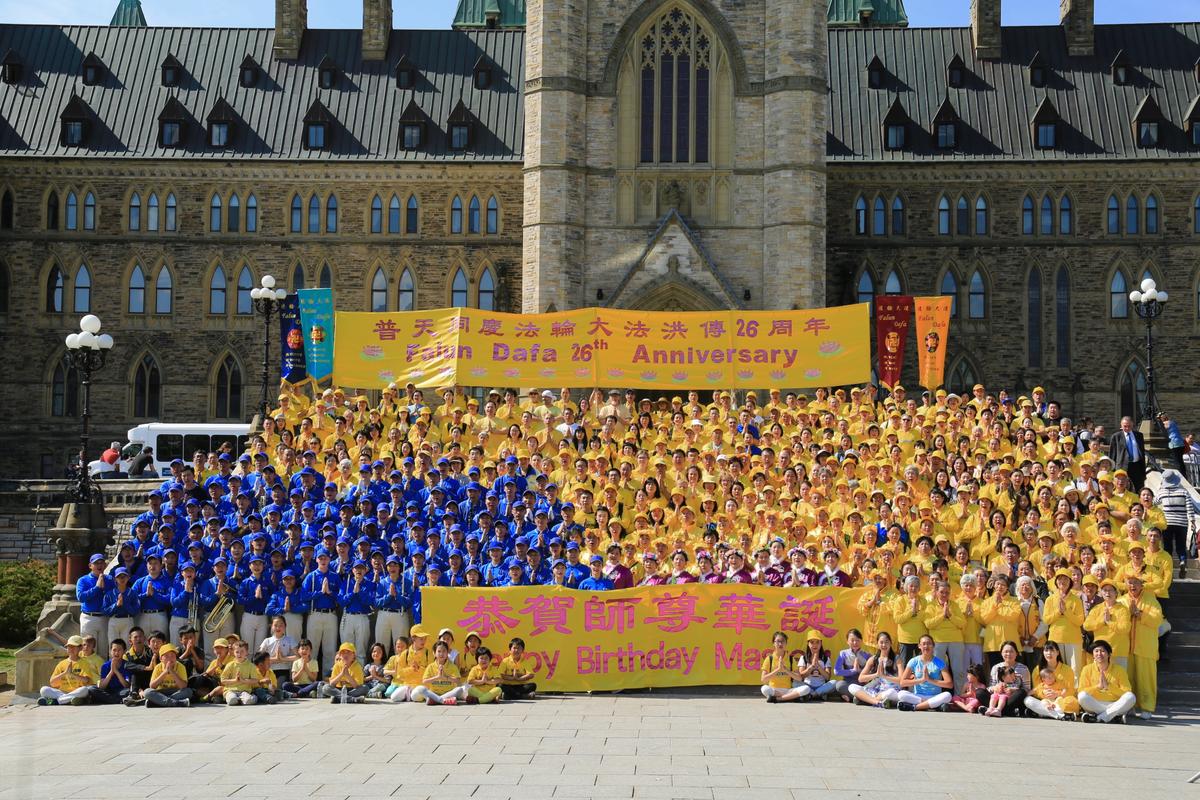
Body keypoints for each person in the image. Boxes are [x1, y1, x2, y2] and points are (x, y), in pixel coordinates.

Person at [1078, 640, 1137, 723]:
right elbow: (1081, 691)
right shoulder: (1087, 669)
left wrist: (1108, 686)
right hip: (1095, 704)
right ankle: (1112, 716)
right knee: (1082, 696)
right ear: (1093, 655)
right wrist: (1097, 687)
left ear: (1109, 654)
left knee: (1131, 697)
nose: (1099, 654)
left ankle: (1099, 717)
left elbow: (1126, 692)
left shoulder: (1119, 670)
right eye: (1096, 651)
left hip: (1115, 703)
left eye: (1102, 651)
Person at [1023, 642, 1080, 720]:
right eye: (1046, 650)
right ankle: (1061, 715)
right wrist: (1044, 693)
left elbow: (1070, 690)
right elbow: (1037, 691)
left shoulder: (1067, 669)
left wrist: (1057, 694)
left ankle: (1043, 713)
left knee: (1071, 702)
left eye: (1052, 650)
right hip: (1045, 701)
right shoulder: (1037, 670)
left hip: (1061, 700)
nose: (1049, 653)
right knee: (1027, 700)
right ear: (1043, 652)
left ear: (1057, 653)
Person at [895, 634, 953, 711]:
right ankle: (932, 705)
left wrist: (929, 680)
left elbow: (949, 684)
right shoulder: (914, 661)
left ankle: (915, 707)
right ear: (919, 646)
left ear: (933, 646)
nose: (926, 646)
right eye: (924, 644)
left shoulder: (939, 662)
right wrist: (921, 680)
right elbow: (902, 682)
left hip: (934, 696)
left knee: (947, 695)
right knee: (901, 694)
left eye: (929, 644)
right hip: (918, 696)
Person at [38, 635, 98, 706]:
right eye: (69, 646)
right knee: (43, 690)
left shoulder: (85, 663)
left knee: (84, 690)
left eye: (73, 646)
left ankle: (56, 701)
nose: (70, 649)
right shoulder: (62, 663)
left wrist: (72, 674)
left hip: (76, 691)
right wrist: (65, 673)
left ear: (80, 648)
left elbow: (86, 681)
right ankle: (67, 700)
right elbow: (52, 683)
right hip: (62, 692)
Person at [848, 631, 901, 707]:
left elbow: (901, 680)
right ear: (877, 644)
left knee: (890, 693)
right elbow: (861, 678)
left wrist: (884, 676)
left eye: (886, 642)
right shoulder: (873, 659)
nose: (884, 645)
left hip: (892, 691)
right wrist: (876, 674)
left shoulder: (897, 659)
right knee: (852, 687)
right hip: (877, 691)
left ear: (891, 643)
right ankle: (878, 702)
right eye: (881, 642)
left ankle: (867, 700)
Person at [980, 641, 1029, 718]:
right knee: (979, 692)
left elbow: (1027, 689)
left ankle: (995, 710)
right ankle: (1002, 710)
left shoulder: (1023, 668)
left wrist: (1013, 690)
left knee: (1021, 693)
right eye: (1006, 652)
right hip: (997, 697)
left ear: (1016, 653)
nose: (1008, 654)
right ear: (1001, 653)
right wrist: (995, 688)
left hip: (1012, 699)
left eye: (1011, 652)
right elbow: (990, 687)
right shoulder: (995, 667)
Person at [413, 640, 466, 705]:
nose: (441, 654)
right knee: (420, 688)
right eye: (439, 651)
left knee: (459, 689)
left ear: (447, 653)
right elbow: (424, 681)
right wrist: (437, 677)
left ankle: (435, 700)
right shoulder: (430, 666)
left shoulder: (452, 666)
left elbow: (458, 681)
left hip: (448, 693)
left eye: (444, 651)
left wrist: (445, 677)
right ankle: (442, 700)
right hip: (433, 693)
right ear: (434, 653)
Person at [143, 642, 193, 708]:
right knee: (147, 692)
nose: (170, 658)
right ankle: (176, 703)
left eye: (172, 655)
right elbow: (152, 686)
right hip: (161, 692)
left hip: (176, 692)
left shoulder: (181, 666)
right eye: (166, 656)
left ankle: (159, 703)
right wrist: (165, 672)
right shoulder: (158, 667)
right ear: (161, 659)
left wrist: (172, 672)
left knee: (188, 691)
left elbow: (183, 686)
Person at [759, 631, 804, 703]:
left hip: (788, 690)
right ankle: (790, 697)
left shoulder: (790, 659)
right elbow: (763, 679)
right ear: (773, 643)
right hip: (774, 690)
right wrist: (778, 670)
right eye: (778, 641)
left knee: (806, 689)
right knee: (764, 689)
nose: (780, 644)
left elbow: (799, 678)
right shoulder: (769, 659)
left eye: (782, 641)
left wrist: (785, 670)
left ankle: (778, 699)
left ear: (786, 643)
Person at [794, 631, 837, 700]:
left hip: (821, 686)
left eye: (817, 642)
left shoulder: (825, 658)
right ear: (808, 644)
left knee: (834, 683)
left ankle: (811, 695)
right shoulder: (804, 658)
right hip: (807, 686)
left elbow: (827, 677)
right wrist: (811, 667)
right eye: (812, 642)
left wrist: (818, 667)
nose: (815, 645)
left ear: (821, 643)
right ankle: (819, 694)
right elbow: (801, 676)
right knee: (795, 683)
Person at [259, 616, 299, 688]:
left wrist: (283, 658)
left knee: (282, 688)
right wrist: (275, 659)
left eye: (281, 625)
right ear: (271, 626)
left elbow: (298, 656)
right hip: (269, 670)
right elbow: (258, 657)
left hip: (284, 670)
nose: (278, 628)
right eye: (275, 625)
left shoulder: (289, 640)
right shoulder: (267, 641)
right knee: (269, 688)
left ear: (285, 626)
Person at [1108, 416, 1146, 491]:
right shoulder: (1116, 436)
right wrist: (1112, 471)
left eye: (1129, 426)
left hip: (1137, 466)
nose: (1127, 428)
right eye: (1125, 426)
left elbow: (1142, 452)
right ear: (1121, 425)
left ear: (1132, 424)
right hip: (1122, 467)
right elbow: (1112, 455)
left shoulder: (1139, 435)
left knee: (1138, 488)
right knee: (1123, 489)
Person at [832, 628, 869, 701]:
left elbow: (872, 673)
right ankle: (859, 698)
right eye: (852, 640)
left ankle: (853, 697)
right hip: (847, 683)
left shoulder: (867, 655)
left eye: (857, 640)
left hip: (861, 685)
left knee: (871, 687)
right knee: (839, 685)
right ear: (847, 642)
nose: (855, 643)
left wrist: (860, 671)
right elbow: (836, 671)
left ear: (861, 641)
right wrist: (853, 670)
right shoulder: (843, 653)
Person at [220, 639, 261, 706]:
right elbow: (223, 680)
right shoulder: (230, 665)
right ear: (233, 652)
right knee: (231, 701)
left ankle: (251, 697)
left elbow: (255, 680)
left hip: (244, 691)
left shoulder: (251, 666)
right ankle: (236, 699)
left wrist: (243, 680)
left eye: (242, 651)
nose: (239, 654)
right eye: (237, 652)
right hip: (231, 690)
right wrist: (235, 680)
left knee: (249, 701)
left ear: (247, 652)